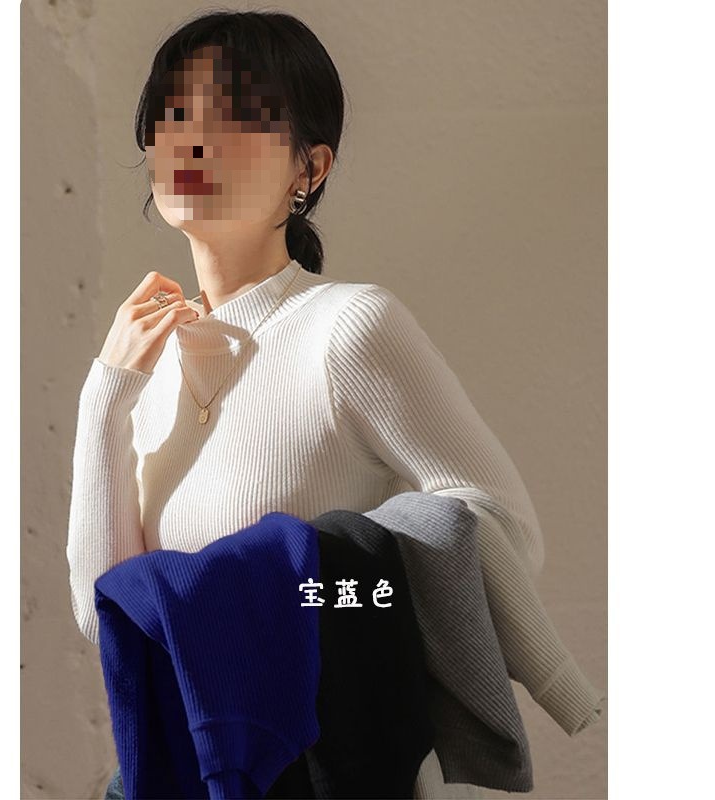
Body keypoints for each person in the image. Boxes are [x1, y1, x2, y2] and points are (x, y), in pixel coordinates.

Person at [67, 9, 544, 800]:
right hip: (178, 774)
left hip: (324, 773)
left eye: (234, 117)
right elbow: (106, 617)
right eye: (175, 115)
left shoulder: (349, 325)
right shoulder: (141, 373)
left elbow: (507, 533)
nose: (193, 141)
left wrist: (293, 573)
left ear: (309, 168)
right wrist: (104, 397)